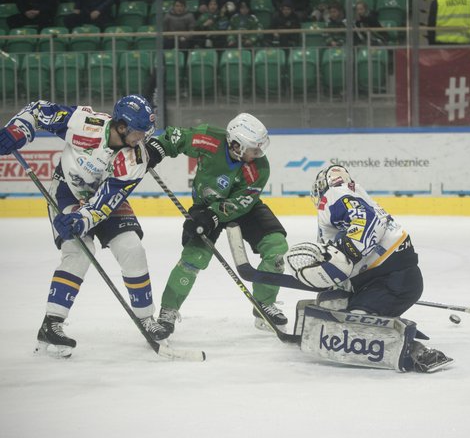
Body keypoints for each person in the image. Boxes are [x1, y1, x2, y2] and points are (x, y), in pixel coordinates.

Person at [0, 95, 168, 358]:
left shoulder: (136, 158)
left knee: (132, 248)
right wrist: (18, 129)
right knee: (79, 249)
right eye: (138, 132)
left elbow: (106, 200)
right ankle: (51, 323)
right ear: (121, 126)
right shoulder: (83, 123)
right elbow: (37, 110)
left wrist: (83, 219)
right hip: (67, 191)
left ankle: (146, 319)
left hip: (103, 198)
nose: (142, 139)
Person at [284, 165, 453, 373]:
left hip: (392, 279)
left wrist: (347, 252)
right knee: (334, 304)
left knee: (356, 322)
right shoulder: (352, 193)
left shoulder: (334, 195)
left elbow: (366, 220)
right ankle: (385, 324)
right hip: (387, 277)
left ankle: (415, 350)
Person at [145, 113, 289, 337]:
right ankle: (168, 311)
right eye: (254, 148)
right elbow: (175, 137)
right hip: (205, 206)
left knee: (276, 247)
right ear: (235, 144)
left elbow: (243, 201)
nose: (259, 154)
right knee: (192, 259)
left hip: (245, 208)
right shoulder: (209, 138)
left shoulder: (259, 167)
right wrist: (156, 149)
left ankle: (264, 305)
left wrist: (215, 215)